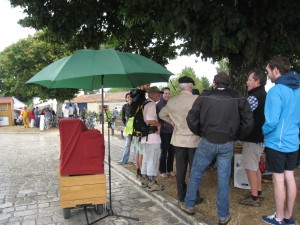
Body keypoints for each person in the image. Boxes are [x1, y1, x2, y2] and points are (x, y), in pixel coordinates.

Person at [180, 73, 253, 225]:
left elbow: (191, 118)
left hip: (208, 141)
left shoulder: (205, 96)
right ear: (228, 84)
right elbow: (248, 121)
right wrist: (237, 136)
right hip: (227, 143)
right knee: (223, 179)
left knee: (196, 173)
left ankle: (189, 205)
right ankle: (223, 215)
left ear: (214, 83)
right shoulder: (237, 97)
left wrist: (201, 132)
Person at [261, 56, 300, 225]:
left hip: (277, 142)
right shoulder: (298, 90)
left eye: (268, 71)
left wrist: (263, 132)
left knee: (278, 179)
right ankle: (288, 216)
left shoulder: (275, 91)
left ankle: (279, 218)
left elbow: (271, 121)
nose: (268, 75)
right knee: (290, 177)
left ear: (276, 70)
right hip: (293, 142)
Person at [159, 76, 201, 203]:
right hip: (194, 139)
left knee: (181, 169)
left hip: (178, 139)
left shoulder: (172, 101)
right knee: (194, 170)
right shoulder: (197, 100)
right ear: (190, 86)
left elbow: (161, 114)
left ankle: (181, 195)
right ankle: (193, 196)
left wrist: (173, 122)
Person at [238, 69, 267, 207]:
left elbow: (243, 115)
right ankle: (258, 192)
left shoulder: (254, 97)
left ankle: (254, 197)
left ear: (258, 81)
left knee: (250, 168)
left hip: (253, 139)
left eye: (250, 79)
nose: (247, 82)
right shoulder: (263, 95)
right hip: (260, 138)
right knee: (254, 167)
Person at [140, 86, 164, 191]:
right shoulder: (151, 104)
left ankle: (144, 180)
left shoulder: (144, 103)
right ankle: (152, 182)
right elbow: (150, 119)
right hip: (152, 136)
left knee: (146, 158)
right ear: (153, 94)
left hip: (145, 136)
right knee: (153, 159)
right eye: (158, 93)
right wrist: (158, 125)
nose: (159, 95)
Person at [156, 87, 175, 177]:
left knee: (172, 151)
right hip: (164, 131)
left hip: (172, 130)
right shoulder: (158, 105)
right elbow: (158, 119)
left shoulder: (171, 104)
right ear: (161, 94)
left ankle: (170, 169)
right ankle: (162, 170)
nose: (167, 95)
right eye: (165, 93)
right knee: (164, 151)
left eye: (168, 93)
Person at [133, 83, 151, 180]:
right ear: (142, 85)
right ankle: (141, 174)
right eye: (147, 85)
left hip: (136, 128)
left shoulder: (136, 95)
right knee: (141, 153)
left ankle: (138, 172)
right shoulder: (141, 96)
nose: (149, 87)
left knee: (138, 151)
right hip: (141, 129)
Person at [118, 93, 134, 165]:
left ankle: (135, 161)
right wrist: (125, 124)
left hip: (136, 127)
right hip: (129, 128)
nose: (129, 98)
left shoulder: (135, 105)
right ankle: (124, 160)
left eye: (130, 97)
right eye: (128, 97)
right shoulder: (124, 106)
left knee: (136, 145)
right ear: (126, 99)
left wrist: (131, 105)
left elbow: (132, 113)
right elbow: (123, 117)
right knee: (127, 144)